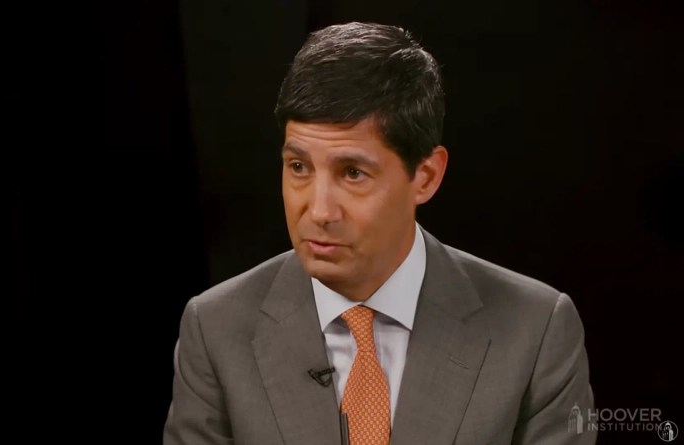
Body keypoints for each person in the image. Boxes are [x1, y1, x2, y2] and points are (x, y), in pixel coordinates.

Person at [163, 22, 596, 445]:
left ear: (426, 176)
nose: (319, 210)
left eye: (353, 173)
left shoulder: (535, 331)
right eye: (298, 167)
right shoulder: (215, 329)